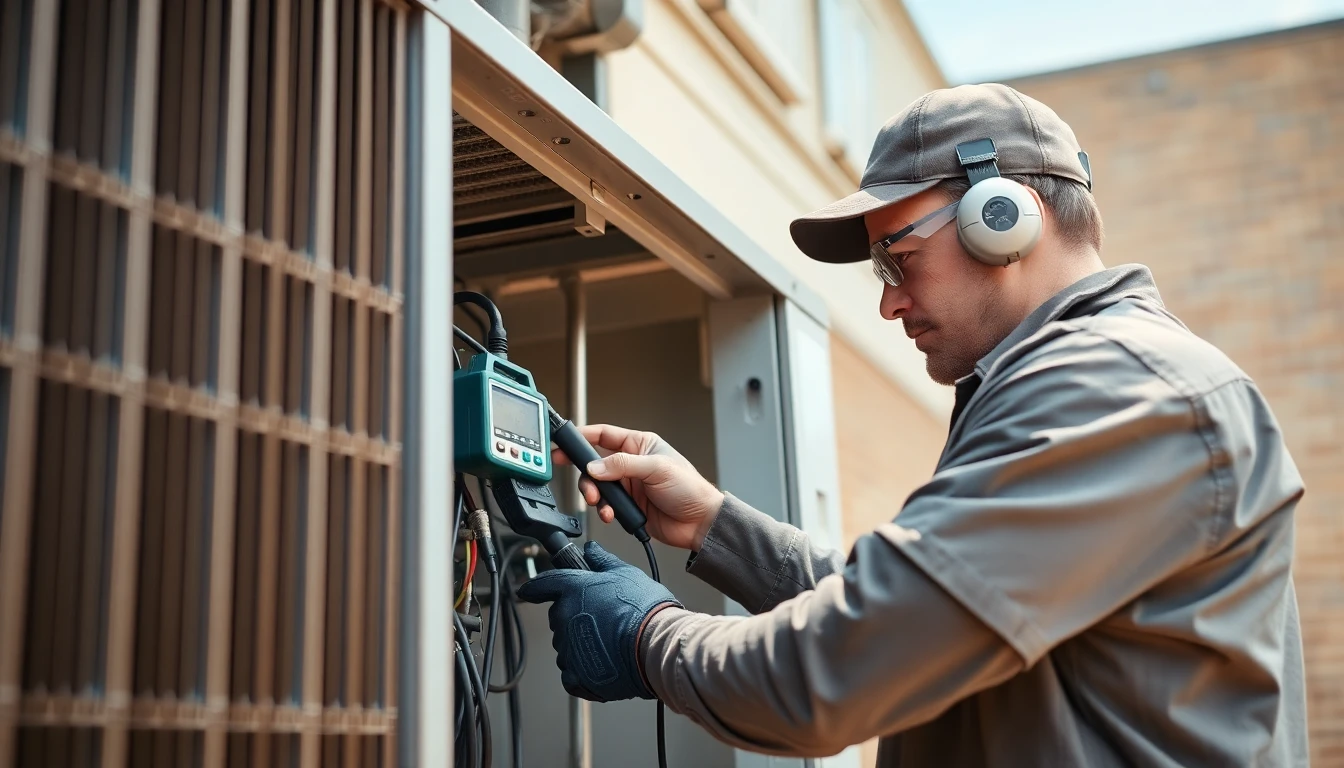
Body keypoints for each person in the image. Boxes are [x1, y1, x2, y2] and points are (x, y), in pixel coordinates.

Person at [516, 84, 1308, 766]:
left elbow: (844, 667)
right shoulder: (1082, 383)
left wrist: (646, 634)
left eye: (896, 259)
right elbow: (921, 622)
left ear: (1002, 219)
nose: (889, 300)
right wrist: (718, 525)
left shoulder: (1116, 391)